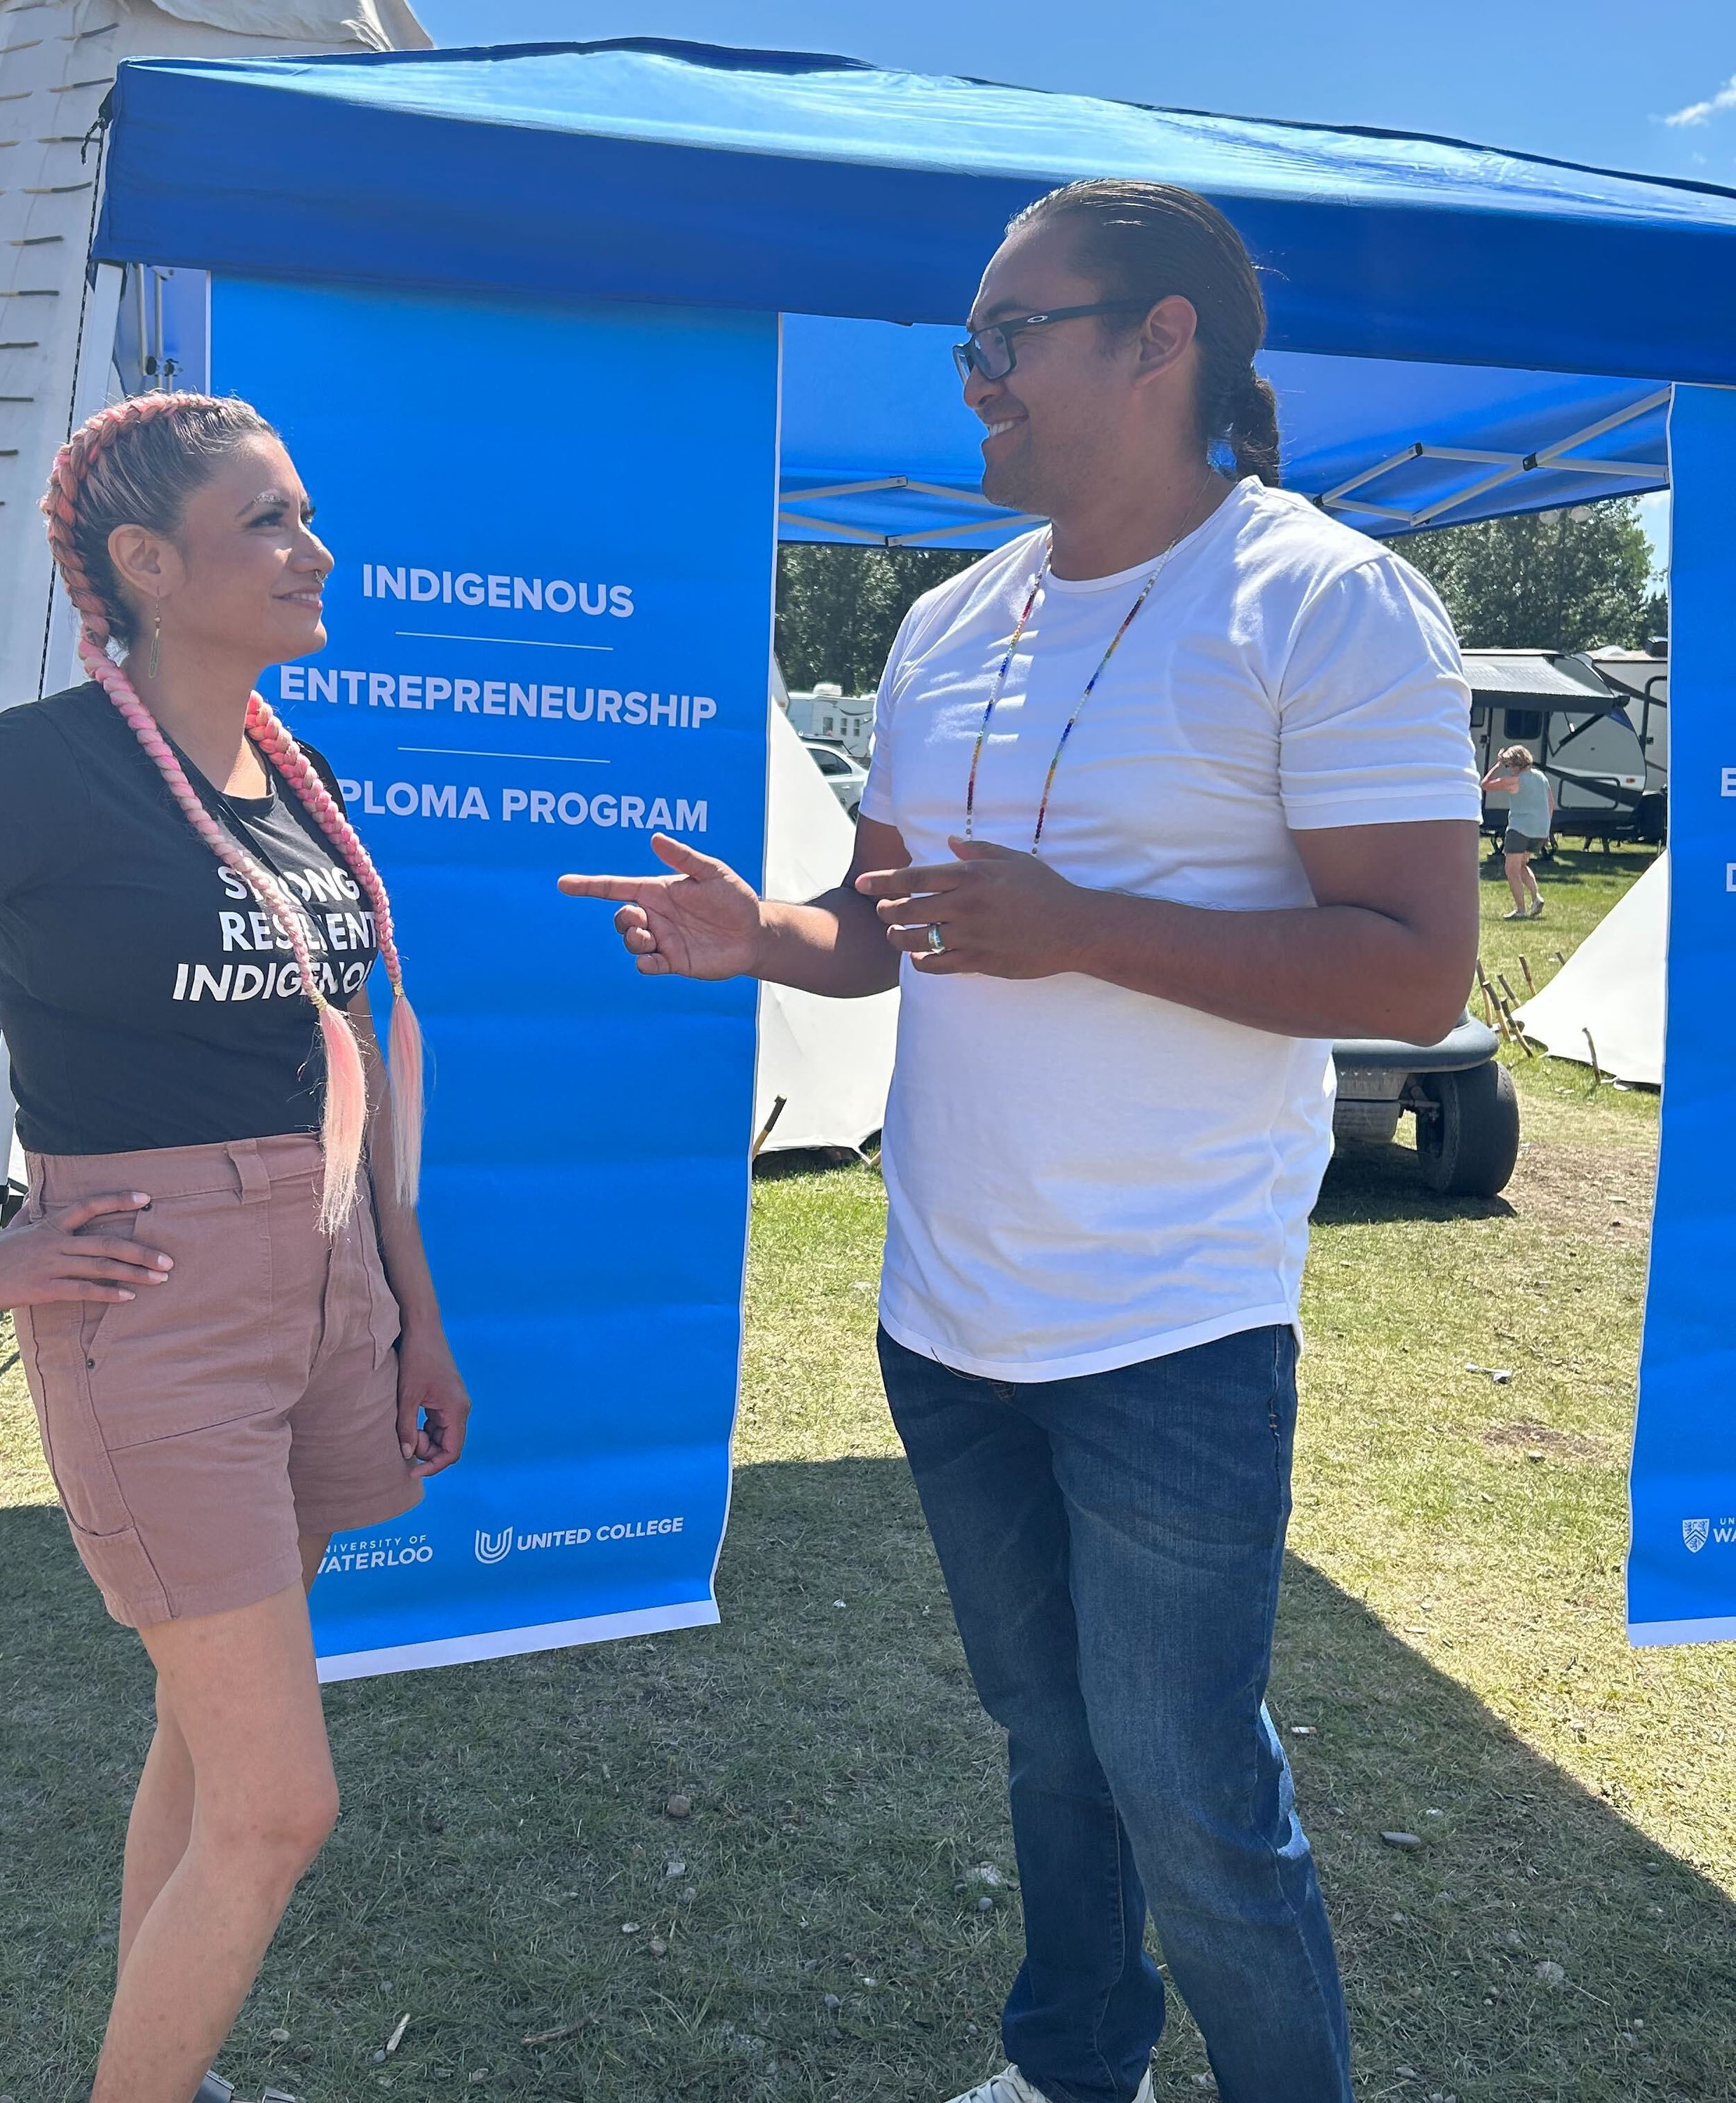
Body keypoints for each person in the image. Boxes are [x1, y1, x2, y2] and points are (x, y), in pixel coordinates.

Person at [562, 181, 1479, 2103]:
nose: (970, 377)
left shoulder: (1322, 597)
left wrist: (1082, 929)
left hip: (1172, 1322)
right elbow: (881, 929)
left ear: (1164, 342)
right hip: (948, 1309)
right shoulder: (946, 619)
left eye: (1006, 334)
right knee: (1047, 1742)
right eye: (966, 341)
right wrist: (765, 941)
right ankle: (1075, 2062)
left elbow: (1415, 975)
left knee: (1192, 1788)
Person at [0, 393, 470, 2103]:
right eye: (269, 520)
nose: (314, 549)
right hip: (159, 1308)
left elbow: (363, 1044)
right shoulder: (45, 764)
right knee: (282, 1802)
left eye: (304, 511)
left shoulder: (295, 768)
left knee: (206, 1739)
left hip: (328, 1267)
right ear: (146, 561)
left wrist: (413, 1306)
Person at [1481, 742, 1551, 918]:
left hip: (1520, 828)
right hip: (1540, 830)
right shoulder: (1541, 777)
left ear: (1516, 764)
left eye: (1508, 765)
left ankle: (1521, 910)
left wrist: (1496, 765)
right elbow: (1551, 804)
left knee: (1511, 870)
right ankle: (1536, 897)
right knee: (1521, 865)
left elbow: (1485, 785)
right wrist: (1547, 828)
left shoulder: (1515, 780)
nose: (1508, 768)